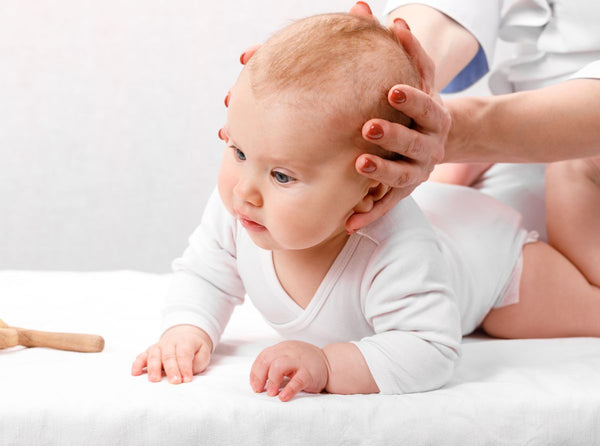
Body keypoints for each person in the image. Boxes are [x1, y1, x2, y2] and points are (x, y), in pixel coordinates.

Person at [131, 13, 600, 402]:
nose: (244, 191)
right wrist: (188, 329)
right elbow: (205, 274)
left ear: (371, 195)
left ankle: (578, 169)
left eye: (281, 176)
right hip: (447, 203)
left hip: (494, 261)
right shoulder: (240, 208)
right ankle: (476, 166)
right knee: (446, 193)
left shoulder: (395, 247)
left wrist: (328, 363)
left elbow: (429, 348)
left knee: (576, 310)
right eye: (237, 150)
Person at [344, 1, 600, 286]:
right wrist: (393, 73)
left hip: (576, 157)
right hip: (513, 148)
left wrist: (450, 131)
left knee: (504, 288)